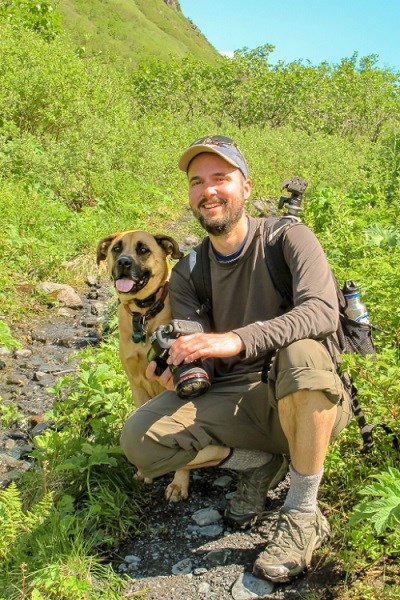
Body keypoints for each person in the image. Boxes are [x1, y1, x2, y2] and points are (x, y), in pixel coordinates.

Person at [120, 135, 352, 583]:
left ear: (245, 187)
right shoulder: (189, 271)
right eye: (197, 181)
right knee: (140, 440)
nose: (209, 190)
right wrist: (181, 375)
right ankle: (257, 461)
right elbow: (196, 351)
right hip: (237, 400)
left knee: (302, 353)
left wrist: (236, 341)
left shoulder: (288, 237)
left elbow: (322, 311)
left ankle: (302, 513)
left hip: (307, 397)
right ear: (190, 196)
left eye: (221, 178)